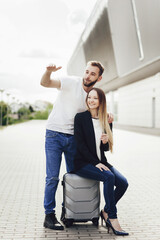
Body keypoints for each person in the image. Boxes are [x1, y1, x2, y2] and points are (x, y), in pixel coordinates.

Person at [40, 61, 113, 230]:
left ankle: (70, 213)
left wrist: (109, 114)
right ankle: (49, 215)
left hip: (74, 138)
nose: (87, 76)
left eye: (92, 74)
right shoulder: (70, 81)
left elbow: (97, 108)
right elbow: (45, 83)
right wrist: (48, 72)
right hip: (54, 134)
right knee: (52, 178)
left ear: (99, 78)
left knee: (76, 177)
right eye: (86, 71)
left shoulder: (92, 94)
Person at [73, 87, 129, 236]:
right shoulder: (80, 118)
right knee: (108, 177)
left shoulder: (106, 119)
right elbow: (80, 145)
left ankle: (106, 210)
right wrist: (94, 162)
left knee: (123, 183)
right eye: (89, 97)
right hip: (83, 163)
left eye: (95, 98)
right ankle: (112, 217)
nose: (91, 100)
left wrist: (105, 141)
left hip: (100, 161)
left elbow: (104, 148)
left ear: (101, 101)